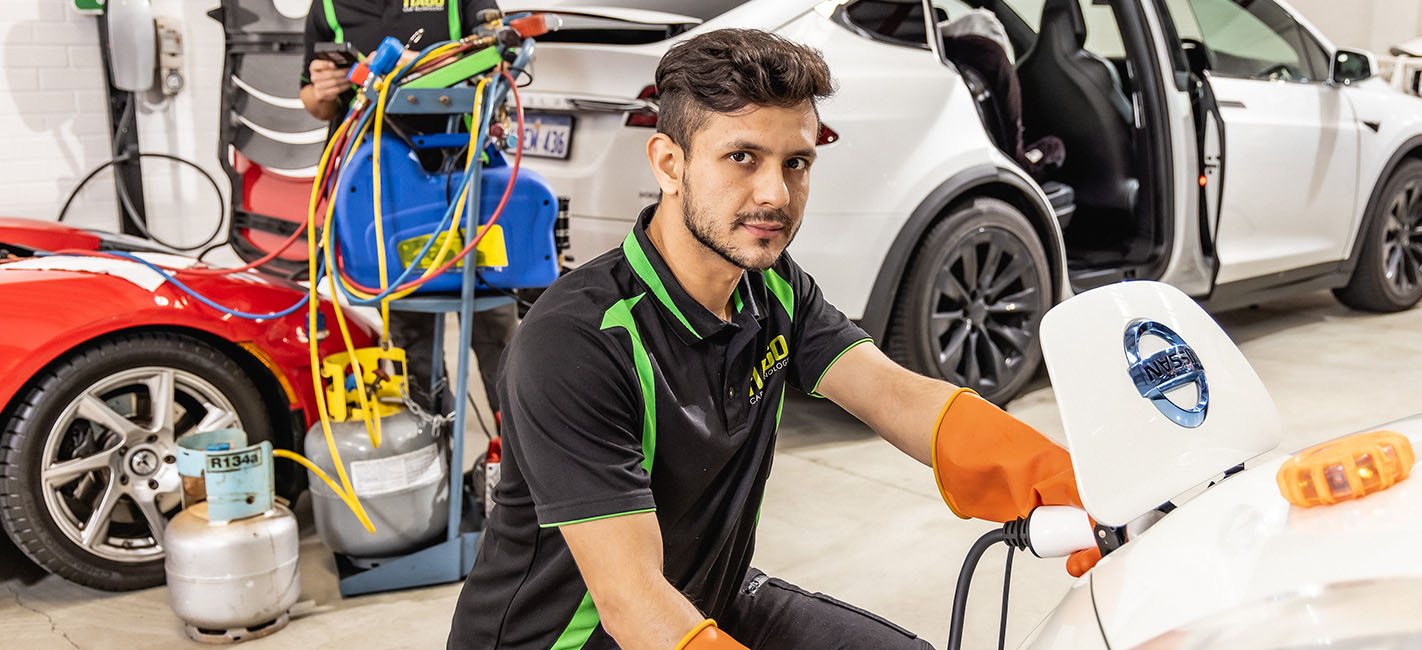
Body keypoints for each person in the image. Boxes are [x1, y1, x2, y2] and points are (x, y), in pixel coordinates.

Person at [448, 28, 1098, 650]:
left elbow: (890, 393)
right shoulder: (579, 342)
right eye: (742, 157)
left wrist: (1063, 478)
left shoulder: (773, 287)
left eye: (797, 163)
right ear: (670, 164)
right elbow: (632, 604)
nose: (776, 193)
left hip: (708, 597)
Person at [298, 0, 517, 417]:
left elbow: (499, 56)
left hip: (465, 181)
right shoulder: (326, 6)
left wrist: (415, 65)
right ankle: (431, 444)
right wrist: (323, 88)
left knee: (495, 329)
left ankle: (519, 450)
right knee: (411, 338)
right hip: (386, 195)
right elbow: (314, 100)